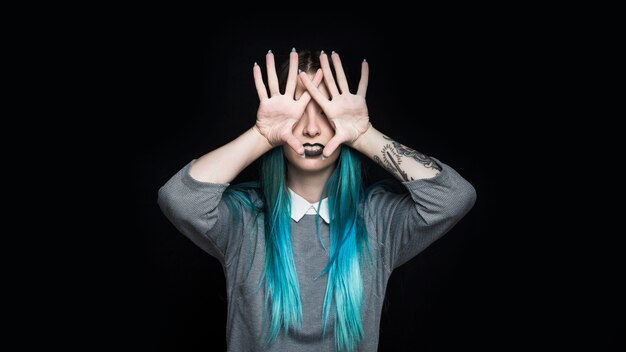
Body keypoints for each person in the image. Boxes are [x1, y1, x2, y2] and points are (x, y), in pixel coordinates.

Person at [158, 48, 476, 352]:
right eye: (298, 110)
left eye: (324, 112)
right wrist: (263, 133)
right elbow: (179, 198)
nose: (311, 129)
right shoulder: (244, 221)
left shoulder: (378, 221)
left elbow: (453, 197)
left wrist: (364, 134)